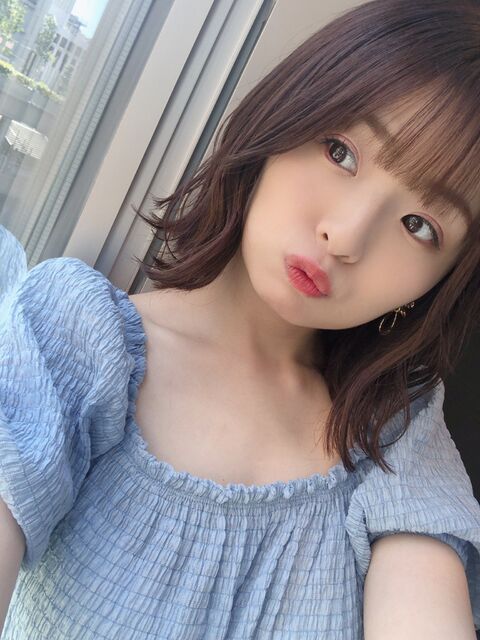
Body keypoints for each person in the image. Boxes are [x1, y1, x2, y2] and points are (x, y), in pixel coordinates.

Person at [1, 0, 480, 637]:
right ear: (284, 117)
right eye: (340, 152)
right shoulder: (74, 336)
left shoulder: (396, 433)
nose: (344, 236)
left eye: (419, 226)